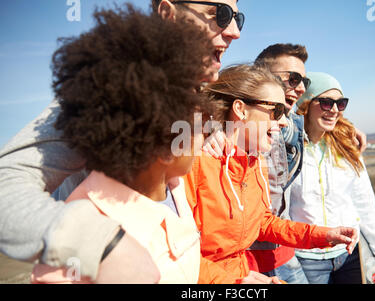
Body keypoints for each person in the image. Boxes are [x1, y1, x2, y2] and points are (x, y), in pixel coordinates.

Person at [0, 0, 242, 283]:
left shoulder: (194, 90)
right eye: (220, 14)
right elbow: (6, 187)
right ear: (167, 13)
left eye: (238, 17)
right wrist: (101, 245)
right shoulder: (106, 89)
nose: (234, 31)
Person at [184, 64, 358, 283]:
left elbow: (262, 223)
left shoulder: (252, 162)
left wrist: (323, 235)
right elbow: (176, 252)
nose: (284, 121)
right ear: (241, 109)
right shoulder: (194, 163)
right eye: (276, 111)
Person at [288, 72, 375, 284]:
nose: (335, 109)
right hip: (306, 259)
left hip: (349, 254)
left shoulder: (347, 148)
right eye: (326, 103)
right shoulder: (288, 149)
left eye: (341, 103)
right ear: (305, 105)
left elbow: (364, 204)